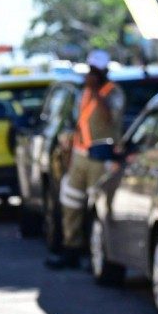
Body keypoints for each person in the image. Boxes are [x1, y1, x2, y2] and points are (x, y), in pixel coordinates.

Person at [45, 49, 123, 270]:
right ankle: (71, 250)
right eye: (90, 71)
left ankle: (96, 255)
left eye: (95, 72)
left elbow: (109, 118)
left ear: (103, 72)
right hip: (80, 157)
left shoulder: (113, 93)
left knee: (97, 207)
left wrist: (96, 91)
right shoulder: (84, 92)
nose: (90, 76)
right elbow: (79, 123)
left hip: (101, 159)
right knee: (71, 203)